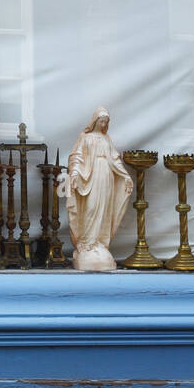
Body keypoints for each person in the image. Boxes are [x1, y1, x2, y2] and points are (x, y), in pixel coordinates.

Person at [61, 106, 133, 271]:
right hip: (90, 177)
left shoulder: (106, 139)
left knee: (104, 209)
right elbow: (76, 156)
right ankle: (86, 243)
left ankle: (99, 243)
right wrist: (75, 173)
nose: (103, 124)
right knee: (91, 207)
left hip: (106, 176)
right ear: (95, 121)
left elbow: (114, 159)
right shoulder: (84, 137)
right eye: (101, 121)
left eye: (105, 122)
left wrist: (125, 176)